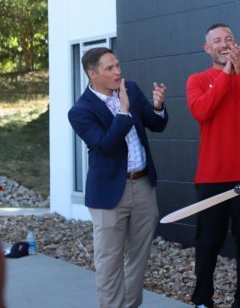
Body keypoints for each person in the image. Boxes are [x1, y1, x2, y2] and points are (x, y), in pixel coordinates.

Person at [68, 47, 168, 308]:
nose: (118, 72)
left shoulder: (130, 88)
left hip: (144, 185)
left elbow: (156, 124)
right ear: (92, 74)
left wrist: (158, 107)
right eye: (110, 68)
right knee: (109, 262)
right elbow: (106, 145)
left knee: (139, 258)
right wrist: (123, 111)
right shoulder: (80, 111)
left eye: (118, 65)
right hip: (109, 193)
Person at [186, 23, 240, 308]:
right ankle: (202, 300)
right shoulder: (197, 79)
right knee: (208, 243)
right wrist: (226, 73)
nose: (224, 43)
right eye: (217, 40)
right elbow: (202, 110)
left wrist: (239, 71)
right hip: (212, 176)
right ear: (207, 48)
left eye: (229, 38)